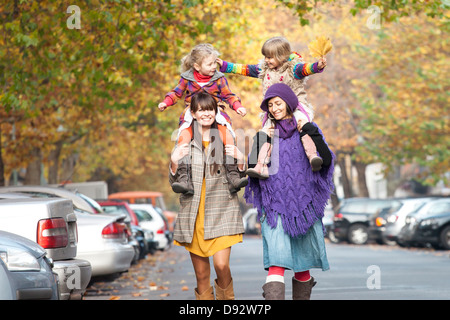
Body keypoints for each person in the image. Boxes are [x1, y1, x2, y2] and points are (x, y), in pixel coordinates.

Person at [244, 83, 335, 300]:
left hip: (305, 207)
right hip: (274, 208)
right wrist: (259, 138)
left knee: (302, 265)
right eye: (270, 106)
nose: (274, 109)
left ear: (289, 102)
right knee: (277, 262)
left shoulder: (307, 128)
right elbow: (252, 167)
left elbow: (327, 160)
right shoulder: (266, 133)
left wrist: (312, 132)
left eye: (278, 103)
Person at [217, 36, 332, 176]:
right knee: (267, 131)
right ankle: (261, 165)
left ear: (282, 56)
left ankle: (312, 155)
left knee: (303, 124)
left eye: (270, 57)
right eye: (265, 57)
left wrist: (317, 66)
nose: (266, 60)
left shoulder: (293, 69)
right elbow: (244, 69)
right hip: (273, 109)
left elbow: (306, 69)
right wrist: (224, 65)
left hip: (296, 105)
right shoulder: (264, 70)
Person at [169, 91, 246, 300]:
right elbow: (175, 182)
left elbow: (237, 176)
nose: (206, 114)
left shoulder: (224, 134)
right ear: (193, 113)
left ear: (216, 111)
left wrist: (241, 159)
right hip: (194, 213)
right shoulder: (185, 138)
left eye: (210, 109)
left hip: (222, 208)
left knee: (221, 265)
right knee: (201, 275)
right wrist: (174, 162)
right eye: (201, 110)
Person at [160, 43, 248, 195]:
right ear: (197, 66)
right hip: (193, 111)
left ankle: (233, 175)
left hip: (215, 110)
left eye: (215, 62)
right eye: (210, 63)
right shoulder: (187, 79)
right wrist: (165, 102)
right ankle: (183, 178)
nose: (214, 66)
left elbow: (229, 95)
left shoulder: (219, 79)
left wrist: (238, 106)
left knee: (228, 135)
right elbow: (176, 93)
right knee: (183, 139)